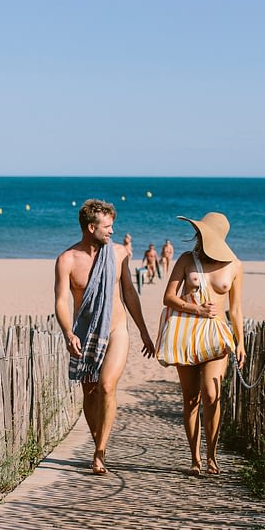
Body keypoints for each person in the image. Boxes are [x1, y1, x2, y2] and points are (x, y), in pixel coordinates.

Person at [55, 199, 155, 474]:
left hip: (117, 330)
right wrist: (67, 332)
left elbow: (129, 293)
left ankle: (100, 452)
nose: (112, 231)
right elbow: (62, 301)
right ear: (91, 227)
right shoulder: (67, 260)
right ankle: (98, 437)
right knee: (90, 391)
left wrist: (144, 332)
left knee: (107, 386)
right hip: (85, 332)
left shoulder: (120, 253)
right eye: (107, 227)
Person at [163, 212, 245, 476]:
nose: (200, 238)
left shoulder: (235, 265)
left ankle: (212, 455)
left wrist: (240, 342)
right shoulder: (187, 259)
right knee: (191, 399)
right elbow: (168, 297)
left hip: (217, 336)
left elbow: (236, 308)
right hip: (186, 334)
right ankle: (195, 459)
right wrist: (195, 309)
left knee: (212, 394)